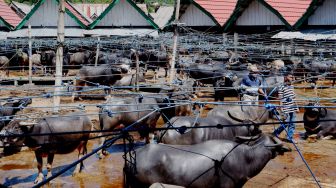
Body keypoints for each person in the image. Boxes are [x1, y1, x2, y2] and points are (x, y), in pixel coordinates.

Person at [273, 72, 299, 143]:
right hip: (285, 107)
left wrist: (296, 107)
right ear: (285, 78)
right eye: (290, 77)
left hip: (292, 107)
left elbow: (294, 97)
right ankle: (276, 133)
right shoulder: (281, 86)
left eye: (292, 77)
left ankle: (289, 137)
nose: (292, 79)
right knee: (286, 122)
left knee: (292, 123)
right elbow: (280, 98)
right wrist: (281, 108)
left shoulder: (291, 86)